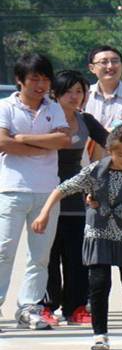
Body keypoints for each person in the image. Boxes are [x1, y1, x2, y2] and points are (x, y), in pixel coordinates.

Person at [32, 126, 122, 350]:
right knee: (99, 285)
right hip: (99, 233)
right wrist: (44, 212)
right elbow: (63, 188)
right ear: (109, 151)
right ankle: (100, 334)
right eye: (120, 155)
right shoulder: (95, 171)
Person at [0, 53, 71, 331]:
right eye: (34, 79)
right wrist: (42, 146)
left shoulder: (53, 107)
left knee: (40, 255)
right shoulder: (5, 107)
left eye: (45, 79)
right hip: (11, 189)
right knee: (4, 251)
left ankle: (29, 306)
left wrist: (24, 139)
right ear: (20, 80)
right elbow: (3, 143)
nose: (40, 85)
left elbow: (63, 139)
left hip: (47, 192)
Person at [43, 70, 109, 327]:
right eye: (68, 91)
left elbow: (113, 144)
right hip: (44, 192)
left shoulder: (86, 120)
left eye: (79, 91)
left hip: (77, 196)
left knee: (78, 256)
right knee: (47, 256)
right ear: (55, 94)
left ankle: (77, 307)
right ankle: (46, 306)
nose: (74, 96)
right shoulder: (44, 119)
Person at [84, 45, 122, 130]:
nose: (110, 66)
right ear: (92, 68)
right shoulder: (84, 95)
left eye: (115, 61)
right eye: (104, 62)